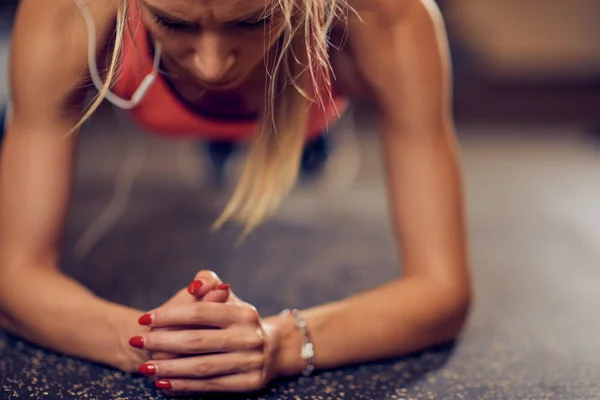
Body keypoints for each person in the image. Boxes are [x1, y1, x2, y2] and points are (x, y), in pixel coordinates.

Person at [0, 0, 472, 395]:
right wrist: (153, 343)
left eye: (253, 20)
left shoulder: (389, 16)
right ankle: (225, 129)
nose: (211, 64)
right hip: (155, 98)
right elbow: (13, 276)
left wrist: (278, 343)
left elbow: (443, 292)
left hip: (307, 99)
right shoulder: (67, 11)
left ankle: (302, 133)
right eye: (174, 22)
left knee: (298, 145)